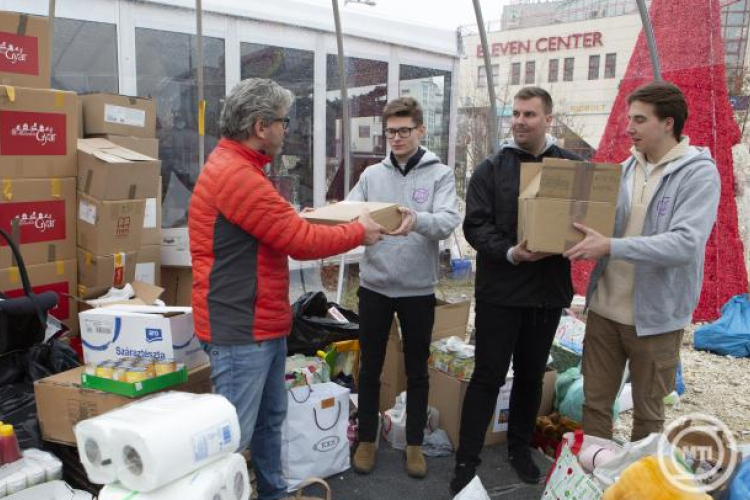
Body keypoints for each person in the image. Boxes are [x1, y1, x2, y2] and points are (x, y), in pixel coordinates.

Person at [188, 78, 384, 500]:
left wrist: (306, 218)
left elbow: (280, 227)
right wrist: (358, 232)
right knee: (230, 443)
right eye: (282, 121)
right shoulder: (238, 176)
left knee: (269, 421)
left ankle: (273, 493)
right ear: (261, 126)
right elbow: (299, 242)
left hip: (256, 323)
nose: (286, 129)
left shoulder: (238, 169)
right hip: (241, 329)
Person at [564, 81, 720, 441]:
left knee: (648, 416)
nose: (629, 128)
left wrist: (612, 247)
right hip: (605, 310)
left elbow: (685, 243)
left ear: (668, 123)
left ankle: (636, 485)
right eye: (629, 119)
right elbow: (598, 225)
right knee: (595, 404)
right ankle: (593, 478)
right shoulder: (624, 170)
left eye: (639, 119)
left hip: (655, 319)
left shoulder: (697, 173)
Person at [450, 86, 581, 494]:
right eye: (517, 114)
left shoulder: (573, 168)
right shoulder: (491, 168)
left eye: (530, 114)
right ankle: (466, 461)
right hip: (501, 293)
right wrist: (511, 252)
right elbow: (475, 226)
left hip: (546, 293)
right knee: (487, 376)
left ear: (549, 119)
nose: (521, 121)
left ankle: (519, 449)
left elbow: (584, 219)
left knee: (530, 377)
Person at [348, 97, 461, 479]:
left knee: (417, 370)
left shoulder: (440, 174)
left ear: (420, 130)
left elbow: (447, 221)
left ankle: (414, 444)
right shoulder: (371, 175)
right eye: (390, 132)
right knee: (370, 367)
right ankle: (367, 439)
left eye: (403, 131)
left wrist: (418, 221)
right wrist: (332, 218)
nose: (395, 138)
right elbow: (352, 211)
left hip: (417, 290)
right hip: (374, 286)